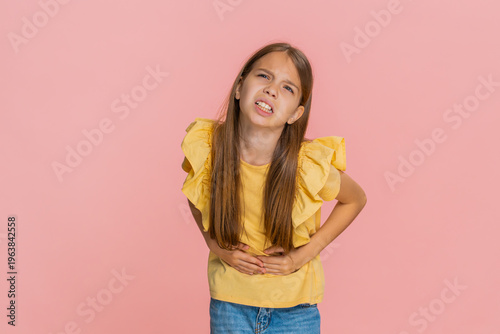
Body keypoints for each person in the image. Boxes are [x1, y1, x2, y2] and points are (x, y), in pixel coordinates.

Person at [180, 42, 367, 334]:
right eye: (264, 76)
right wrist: (214, 244)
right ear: (240, 87)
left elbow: (356, 199)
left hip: (296, 310)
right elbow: (195, 197)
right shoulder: (208, 148)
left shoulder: (307, 165)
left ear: (296, 114)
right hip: (230, 303)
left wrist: (305, 253)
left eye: (288, 88)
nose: (271, 89)